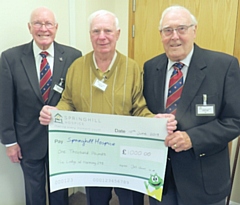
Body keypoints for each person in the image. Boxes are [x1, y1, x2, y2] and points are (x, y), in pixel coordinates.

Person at [39, 10, 177, 205]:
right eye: (96, 31)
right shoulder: (76, 67)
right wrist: (55, 112)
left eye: (107, 31)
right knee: (96, 200)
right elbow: (68, 101)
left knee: (131, 201)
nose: (102, 37)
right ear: (90, 35)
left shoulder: (133, 68)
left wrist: (154, 121)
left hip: (127, 157)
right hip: (93, 157)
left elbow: (139, 108)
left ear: (118, 34)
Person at [143, 5, 240, 205]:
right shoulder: (151, 67)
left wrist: (192, 138)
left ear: (194, 30)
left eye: (181, 29)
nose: (174, 36)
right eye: (167, 30)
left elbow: (235, 121)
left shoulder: (223, 66)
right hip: (161, 180)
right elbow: (145, 111)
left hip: (203, 181)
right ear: (161, 35)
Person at [0, 7, 82, 205]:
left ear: (56, 27)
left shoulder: (73, 56)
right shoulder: (10, 58)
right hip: (27, 140)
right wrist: (9, 142)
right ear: (29, 27)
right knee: (33, 193)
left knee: (60, 193)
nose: (43, 29)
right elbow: (4, 103)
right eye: (38, 23)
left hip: (62, 140)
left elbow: (78, 98)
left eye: (48, 24)